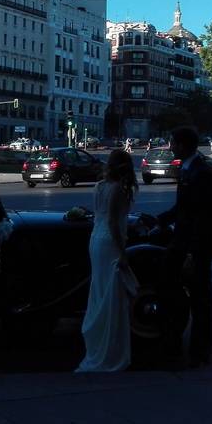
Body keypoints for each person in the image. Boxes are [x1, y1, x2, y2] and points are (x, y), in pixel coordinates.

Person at [157, 126, 212, 367]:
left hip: (196, 245)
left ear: (183, 145)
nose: (170, 146)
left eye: (172, 143)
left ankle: (199, 350)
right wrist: (159, 220)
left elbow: (200, 215)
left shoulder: (202, 173)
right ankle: (175, 342)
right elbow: (182, 209)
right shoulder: (189, 169)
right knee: (175, 290)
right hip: (185, 242)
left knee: (201, 299)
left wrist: (190, 252)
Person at [76, 149, 139, 372]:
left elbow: (101, 216)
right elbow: (113, 222)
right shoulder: (117, 189)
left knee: (100, 290)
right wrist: (123, 252)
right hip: (109, 243)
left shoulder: (99, 185)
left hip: (95, 240)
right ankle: (110, 348)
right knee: (112, 296)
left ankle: (97, 342)